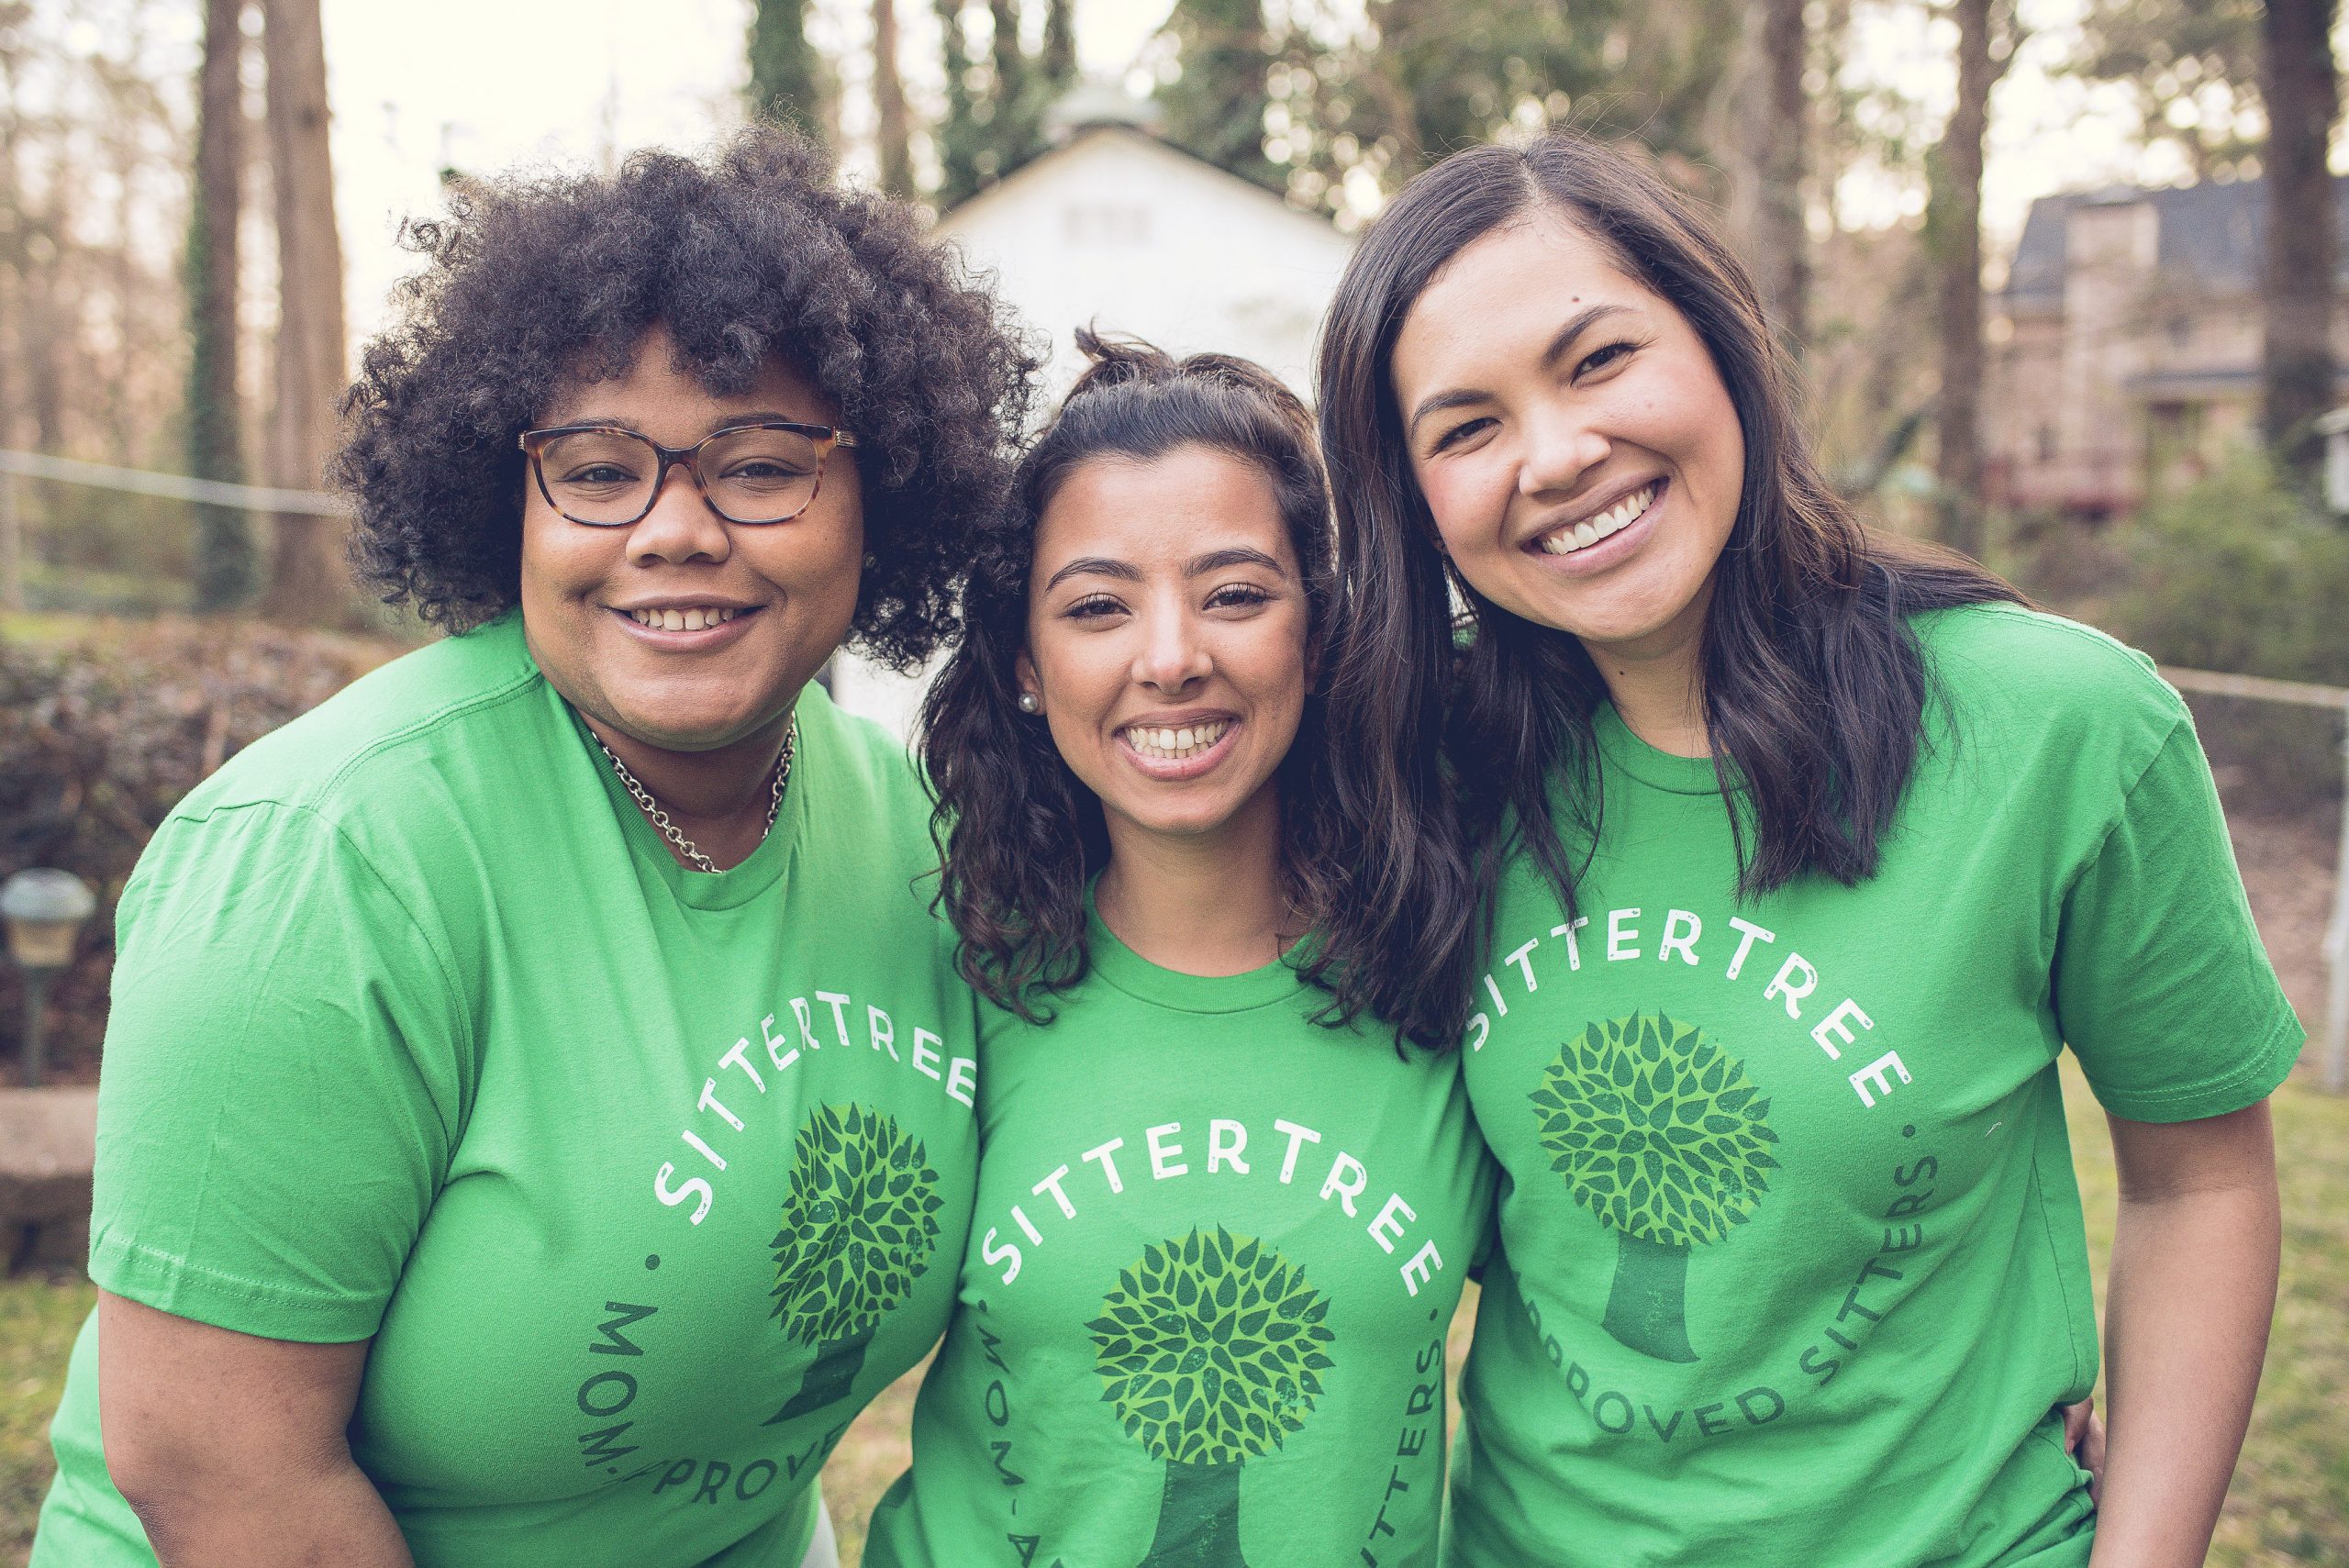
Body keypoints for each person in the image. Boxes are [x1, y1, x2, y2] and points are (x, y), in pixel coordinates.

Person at [33, 129, 1032, 1568]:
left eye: (761, 463)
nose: (676, 529)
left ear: (884, 498)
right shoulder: (330, 864)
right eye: (598, 467)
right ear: (505, 497)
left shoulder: (908, 831)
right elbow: (222, 1476)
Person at [1313, 131, 2296, 1568]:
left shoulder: (2058, 726)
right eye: (1466, 428)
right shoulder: (1430, 774)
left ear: (1726, 345)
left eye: (1597, 361)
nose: (1559, 453)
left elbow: (2200, 1180)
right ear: (1413, 501)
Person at [858, 332, 1494, 1568]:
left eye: (1236, 593)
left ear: (1319, 633)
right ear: (1030, 668)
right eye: (1098, 607)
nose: (1170, 657)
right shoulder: (942, 972)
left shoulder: (1444, 957)